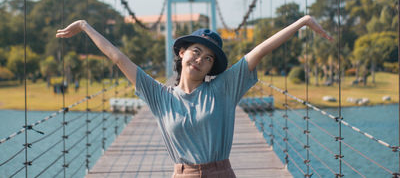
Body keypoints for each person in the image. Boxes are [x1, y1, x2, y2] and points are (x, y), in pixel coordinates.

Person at [56, 15, 332, 178]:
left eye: (209, 58)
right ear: (182, 53)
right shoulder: (159, 95)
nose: (201, 59)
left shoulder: (223, 89)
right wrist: (84, 26)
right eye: (196, 51)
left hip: (221, 174)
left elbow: (258, 51)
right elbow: (119, 59)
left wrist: (302, 22)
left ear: (213, 67)